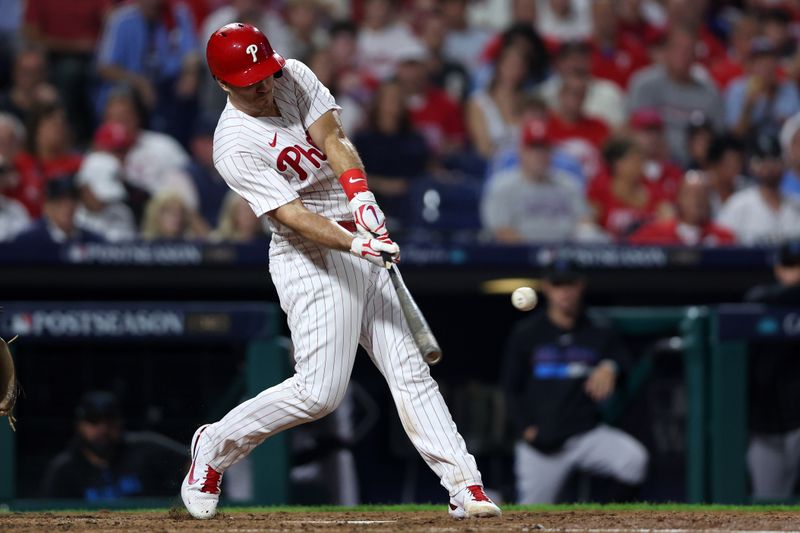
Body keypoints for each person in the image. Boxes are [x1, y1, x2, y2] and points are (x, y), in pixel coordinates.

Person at [181, 23, 501, 520]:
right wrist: (356, 241)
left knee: (410, 371)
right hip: (311, 258)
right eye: (250, 81)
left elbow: (333, 136)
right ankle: (215, 445)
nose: (264, 85)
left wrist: (363, 197)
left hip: (360, 237)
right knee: (319, 393)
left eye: (264, 72)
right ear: (224, 84)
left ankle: (465, 485)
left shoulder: (291, 74)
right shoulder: (233, 144)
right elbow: (293, 216)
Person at [502, 258, 649, 503]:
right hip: (543, 444)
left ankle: (606, 521)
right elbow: (510, 387)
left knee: (633, 460)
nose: (564, 292)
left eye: (570, 284)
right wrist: (525, 427)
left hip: (585, 433)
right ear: (546, 287)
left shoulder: (598, 329)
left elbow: (624, 363)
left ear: (581, 285)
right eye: (558, 285)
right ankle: (505, 495)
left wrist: (609, 366)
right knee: (531, 513)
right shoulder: (527, 333)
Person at [40, 391, 187, 500]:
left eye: (109, 420)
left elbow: (195, 463)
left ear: (120, 422)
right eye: (94, 420)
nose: (103, 429)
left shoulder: (146, 448)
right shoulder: (64, 469)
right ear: (79, 426)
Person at [480, 118, 601, 244]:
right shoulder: (502, 186)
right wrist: (538, 253)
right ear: (522, 152)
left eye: (544, 148)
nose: (540, 154)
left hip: (566, 256)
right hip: (518, 258)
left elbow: (585, 222)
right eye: (534, 148)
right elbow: (501, 230)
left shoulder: (568, 184)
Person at [744, 241, 800, 499]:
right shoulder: (761, 301)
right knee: (767, 506)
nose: (798, 273)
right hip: (767, 428)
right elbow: (760, 297)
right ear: (779, 269)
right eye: (792, 266)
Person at [628, 25, 724, 166]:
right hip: (651, 164)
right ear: (667, 51)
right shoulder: (644, 85)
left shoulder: (710, 93)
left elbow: (719, 138)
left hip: (697, 167)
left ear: (696, 56)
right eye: (678, 49)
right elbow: (630, 129)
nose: (684, 56)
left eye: (689, 50)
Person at [352, 79, 429, 225]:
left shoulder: (415, 140)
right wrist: (383, 185)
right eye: (388, 98)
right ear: (378, 102)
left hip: (410, 202)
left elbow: (423, 172)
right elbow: (352, 176)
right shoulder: (362, 140)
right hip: (371, 201)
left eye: (397, 99)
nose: (393, 104)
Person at [717, 134, 800, 245]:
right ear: (753, 165)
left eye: (775, 159)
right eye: (763, 160)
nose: (770, 165)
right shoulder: (737, 205)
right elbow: (720, 249)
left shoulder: (796, 204)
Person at [588, 137, 674, 240]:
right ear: (617, 164)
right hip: (612, 249)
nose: (640, 166)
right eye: (634, 160)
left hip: (648, 248)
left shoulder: (653, 188)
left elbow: (669, 220)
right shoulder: (600, 189)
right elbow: (589, 224)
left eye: (641, 161)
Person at [627, 171, 736, 246]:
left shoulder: (724, 237)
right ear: (678, 198)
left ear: (708, 200)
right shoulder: (653, 234)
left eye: (701, 194)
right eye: (690, 194)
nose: (696, 200)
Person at [725, 38, 800, 142]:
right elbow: (735, 134)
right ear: (749, 66)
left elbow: (796, 131)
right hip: (748, 148)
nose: (766, 67)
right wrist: (749, 107)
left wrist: (773, 98)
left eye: (770, 61)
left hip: (781, 146)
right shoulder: (738, 89)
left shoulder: (788, 88)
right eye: (760, 62)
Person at [12, 176, 104, 250]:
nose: (67, 206)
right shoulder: (28, 241)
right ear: (46, 206)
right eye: (59, 201)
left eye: (72, 200)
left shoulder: (93, 241)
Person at [140, 192, 206, 241]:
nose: (176, 216)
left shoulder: (191, 242)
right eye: (169, 211)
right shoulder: (143, 245)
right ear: (156, 215)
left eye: (180, 212)